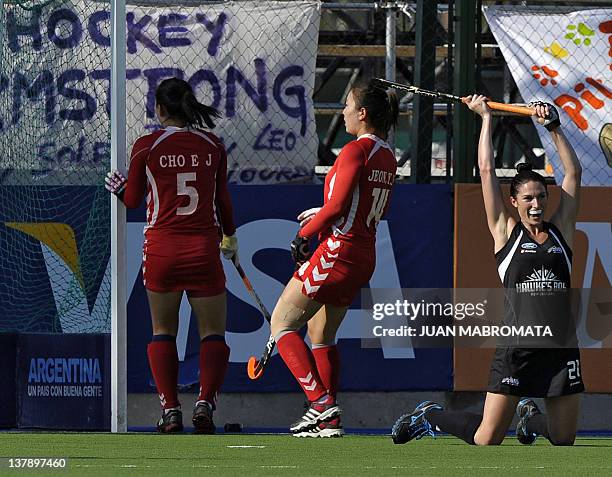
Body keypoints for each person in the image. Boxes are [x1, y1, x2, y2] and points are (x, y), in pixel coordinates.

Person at [391, 95, 583, 446]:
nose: (537, 203)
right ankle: (430, 416)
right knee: (486, 439)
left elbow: (572, 172)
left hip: (561, 347)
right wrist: (485, 118)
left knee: (563, 439)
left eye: (541, 196)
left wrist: (553, 127)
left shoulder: (561, 230)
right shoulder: (504, 231)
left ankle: (529, 419)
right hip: (517, 348)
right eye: (528, 198)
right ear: (514, 202)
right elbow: (486, 172)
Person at [105, 78, 238, 434]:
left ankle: (170, 409)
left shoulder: (146, 145)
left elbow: (132, 200)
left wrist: (117, 187)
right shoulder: (212, 145)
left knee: (162, 329)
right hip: (202, 249)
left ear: (159, 109)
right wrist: (230, 235)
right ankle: (205, 403)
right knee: (212, 332)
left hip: (162, 250)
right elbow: (222, 200)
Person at [268, 79, 399, 437]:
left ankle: (321, 405)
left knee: (281, 325)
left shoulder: (356, 150)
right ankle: (329, 420)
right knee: (320, 333)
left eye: (347, 105)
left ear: (363, 114)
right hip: (363, 253)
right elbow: (358, 206)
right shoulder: (387, 155)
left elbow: (340, 206)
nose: (342, 112)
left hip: (338, 250)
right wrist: (321, 212)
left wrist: (304, 235)